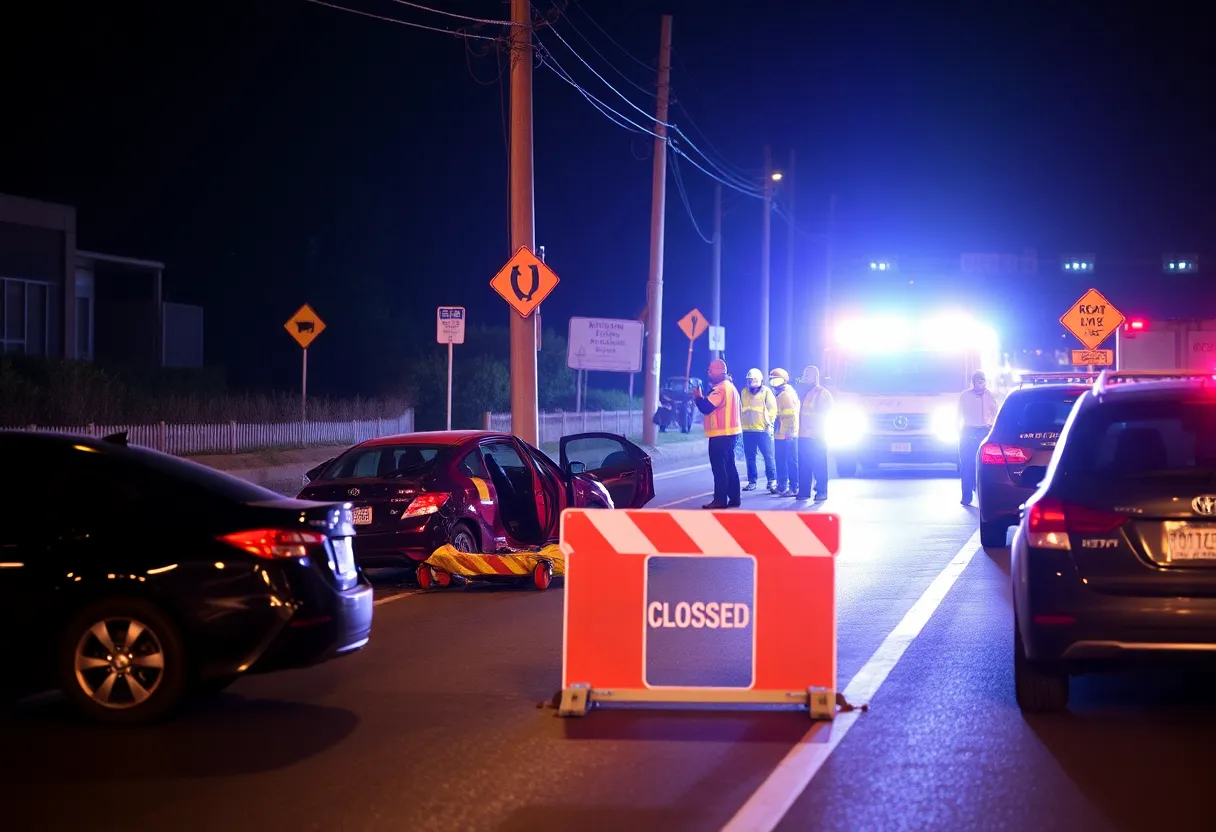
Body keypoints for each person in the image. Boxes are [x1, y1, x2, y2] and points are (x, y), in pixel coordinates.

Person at [693, 358, 742, 509]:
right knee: (729, 466)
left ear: (718, 372)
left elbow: (706, 407)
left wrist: (698, 397)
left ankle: (720, 500)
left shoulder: (720, 389)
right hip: (731, 433)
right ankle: (734, 498)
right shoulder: (731, 387)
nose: (708, 373)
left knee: (719, 468)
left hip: (720, 434)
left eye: (710, 370)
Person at [958, 369, 998, 505]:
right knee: (966, 464)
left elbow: (995, 413)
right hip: (968, 431)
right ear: (972, 382)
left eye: (981, 381)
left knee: (984, 464)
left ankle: (983, 495)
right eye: (976, 381)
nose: (978, 384)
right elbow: (958, 414)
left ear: (985, 382)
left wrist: (991, 428)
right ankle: (966, 496)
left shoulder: (990, 396)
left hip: (984, 431)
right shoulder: (965, 396)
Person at [796, 365, 833, 502]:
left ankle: (822, 491)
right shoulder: (803, 393)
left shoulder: (822, 393)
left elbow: (825, 414)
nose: (805, 378)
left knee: (819, 465)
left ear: (815, 377)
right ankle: (804, 491)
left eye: (808, 375)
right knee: (804, 465)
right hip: (803, 435)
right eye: (804, 375)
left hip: (817, 436)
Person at [740, 368, 778, 493]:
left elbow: (773, 410)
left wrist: (768, 423)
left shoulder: (766, 392)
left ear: (757, 380)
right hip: (747, 430)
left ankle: (772, 481)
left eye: (752, 380)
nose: (750, 382)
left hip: (762, 431)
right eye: (748, 380)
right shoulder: (744, 392)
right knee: (750, 458)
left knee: (768, 457)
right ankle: (752, 481)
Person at [769, 368, 799, 497]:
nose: (773, 381)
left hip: (786, 433)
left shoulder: (784, 394)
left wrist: (790, 432)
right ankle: (783, 486)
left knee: (788, 461)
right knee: (782, 460)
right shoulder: (785, 392)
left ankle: (793, 487)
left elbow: (789, 415)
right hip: (782, 433)